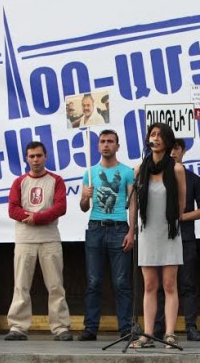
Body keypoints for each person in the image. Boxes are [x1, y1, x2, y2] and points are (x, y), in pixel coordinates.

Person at [4, 141, 72, 341]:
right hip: (25, 239)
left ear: (46, 156)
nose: (35, 160)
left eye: (39, 156)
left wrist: (37, 218)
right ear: (26, 158)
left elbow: (60, 207)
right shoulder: (19, 182)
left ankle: (60, 327)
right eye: (31, 156)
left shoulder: (56, 181)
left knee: (55, 285)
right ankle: (17, 327)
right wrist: (32, 217)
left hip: (49, 238)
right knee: (21, 284)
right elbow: (12, 209)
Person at [130, 123, 186, 348]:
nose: (156, 138)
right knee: (149, 285)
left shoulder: (176, 169)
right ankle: (148, 334)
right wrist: (131, 229)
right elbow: (134, 203)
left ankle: (170, 333)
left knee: (169, 284)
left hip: (169, 231)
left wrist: (174, 221)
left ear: (168, 140)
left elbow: (181, 205)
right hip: (146, 232)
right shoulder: (139, 169)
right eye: (153, 134)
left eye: (161, 135)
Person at [78, 129, 135, 341]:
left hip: (119, 227)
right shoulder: (90, 173)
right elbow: (84, 207)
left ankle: (126, 328)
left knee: (121, 282)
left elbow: (133, 203)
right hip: (96, 227)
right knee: (93, 281)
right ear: (98, 146)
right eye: (102, 141)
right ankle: (90, 328)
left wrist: (132, 230)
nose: (105, 145)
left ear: (117, 146)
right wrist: (85, 197)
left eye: (110, 141)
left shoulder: (127, 172)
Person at [154, 138, 200, 342]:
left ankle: (191, 326)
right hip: (160, 238)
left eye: (177, 148)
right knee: (161, 285)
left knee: (187, 284)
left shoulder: (193, 179)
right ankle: (159, 327)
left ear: (183, 151)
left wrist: (181, 217)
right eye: (170, 148)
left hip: (185, 238)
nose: (173, 152)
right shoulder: (156, 177)